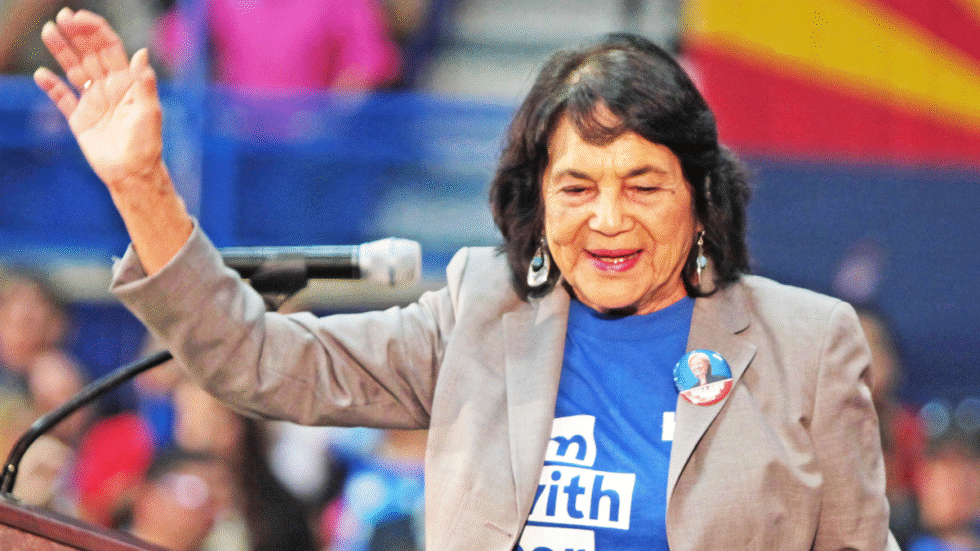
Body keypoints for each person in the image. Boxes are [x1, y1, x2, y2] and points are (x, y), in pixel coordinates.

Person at [33, 8, 899, 550]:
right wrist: (141, 184)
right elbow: (254, 359)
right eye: (576, 187)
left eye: (643, 186)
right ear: (535, 197)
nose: (607, 219)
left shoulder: (807, 343)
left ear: (701, 198)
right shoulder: (480, 311)